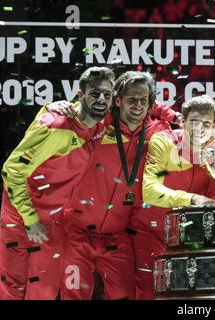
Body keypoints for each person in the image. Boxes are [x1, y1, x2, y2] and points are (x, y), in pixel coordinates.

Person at [53, 71, 175, 300]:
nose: (137, 106)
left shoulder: (159, 133)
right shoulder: (97, 123)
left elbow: (192, 133)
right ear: (117, 101)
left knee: (125, 296)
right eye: (131, 100)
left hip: (118, 238)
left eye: (143, 100)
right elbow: (70, 113)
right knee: (73, 296)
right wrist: (56, 106)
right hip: (76, 232)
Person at [0, 66, 114, 299]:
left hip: (54, 220)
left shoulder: (99, 126)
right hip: (22, 217)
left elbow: (141, 106)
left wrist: (176, 117)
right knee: (12, 289)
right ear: (80, 95)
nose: (101, 99)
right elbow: (11, 170)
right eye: (94, 93)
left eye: (107, 94)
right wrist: (31, 221)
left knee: (44, 290)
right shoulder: (55, 127)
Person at [138, 94, 215, 299]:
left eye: (206, 123)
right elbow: (149, 191)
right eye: (193, 121)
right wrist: (192, 199)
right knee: (149, 292)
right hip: (151, 233)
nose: (199, 128)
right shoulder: (164, 142)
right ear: (183, 121)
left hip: (190, 239)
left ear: (214, 127)